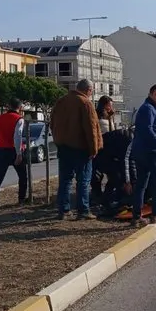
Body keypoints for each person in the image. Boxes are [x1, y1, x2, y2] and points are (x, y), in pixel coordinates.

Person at [50, 79, 103, 220]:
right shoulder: (86, 103)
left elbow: (52, 122)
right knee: (83, 181)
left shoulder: (61, 101)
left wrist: (58, 140)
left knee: (65, 180)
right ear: (89, 90)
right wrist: (94, 149)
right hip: (81, 148)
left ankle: (63, 211)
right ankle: (83, 210)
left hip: (64, 146)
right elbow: (91, 128)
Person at [131, 84, 156, 226]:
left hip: (143, 151)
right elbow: (148, 131)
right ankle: (155, 214)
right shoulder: (148, 109)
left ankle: (137, 217)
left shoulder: (151, 109)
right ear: (150, 94)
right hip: (151, 152)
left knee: (142, 183)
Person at [0, 98, 28, 211]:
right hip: (13, 150)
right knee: (23, 176)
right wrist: (19, 153)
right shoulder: (19, 119)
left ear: (8, 106)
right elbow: (17, 136)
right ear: (19, 108)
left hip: (1, 150)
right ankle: (21, 199)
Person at [91, 95, 116, 205]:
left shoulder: (110, 116)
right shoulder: (97, 115)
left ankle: (107, 194)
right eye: (109, 105)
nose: (111, 107)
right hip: (100, 148)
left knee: (113, 174)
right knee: (97, 174)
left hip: (110, 147)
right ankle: (96, 195)